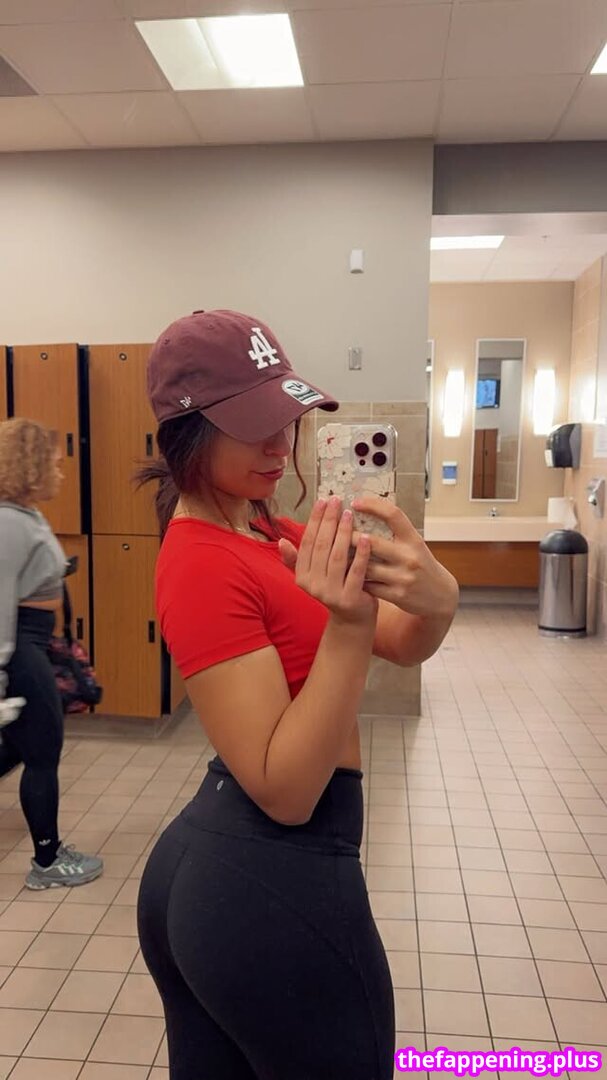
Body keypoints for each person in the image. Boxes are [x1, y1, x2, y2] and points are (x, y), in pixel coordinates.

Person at [136, 309, 459, 1080]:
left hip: (235, 871)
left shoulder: (267, 531)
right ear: (186, 433)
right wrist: (347, 625)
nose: (280, 445)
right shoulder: (200, 560)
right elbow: (283, 791)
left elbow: (400, 641)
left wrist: (438, 599)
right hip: (269, 878)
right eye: (252, 425)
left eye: (283, 417)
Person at [0, 418, 103, 890]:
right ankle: (47, 862)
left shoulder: (23, 514)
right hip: (20, 650)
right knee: (43, 752)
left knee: (19, 747)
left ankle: (49, 855)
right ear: (30, 465)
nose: (61, 473)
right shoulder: (8, 523)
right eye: (54, 464)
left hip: (33, 643)